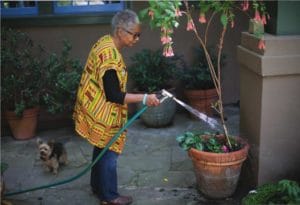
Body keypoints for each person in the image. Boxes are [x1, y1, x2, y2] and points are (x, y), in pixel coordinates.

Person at [73, 9, 160, 205]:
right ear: (120, 31)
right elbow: (113, 95)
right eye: (134, 34)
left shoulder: (105, 42)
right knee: (109, 152)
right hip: (102, 111)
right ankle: (110, 197)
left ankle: (98, 186)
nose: (137, 39)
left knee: (101, 146)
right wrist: (144, 98)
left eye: (139, 34)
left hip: (92, 105)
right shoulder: (109, 58)